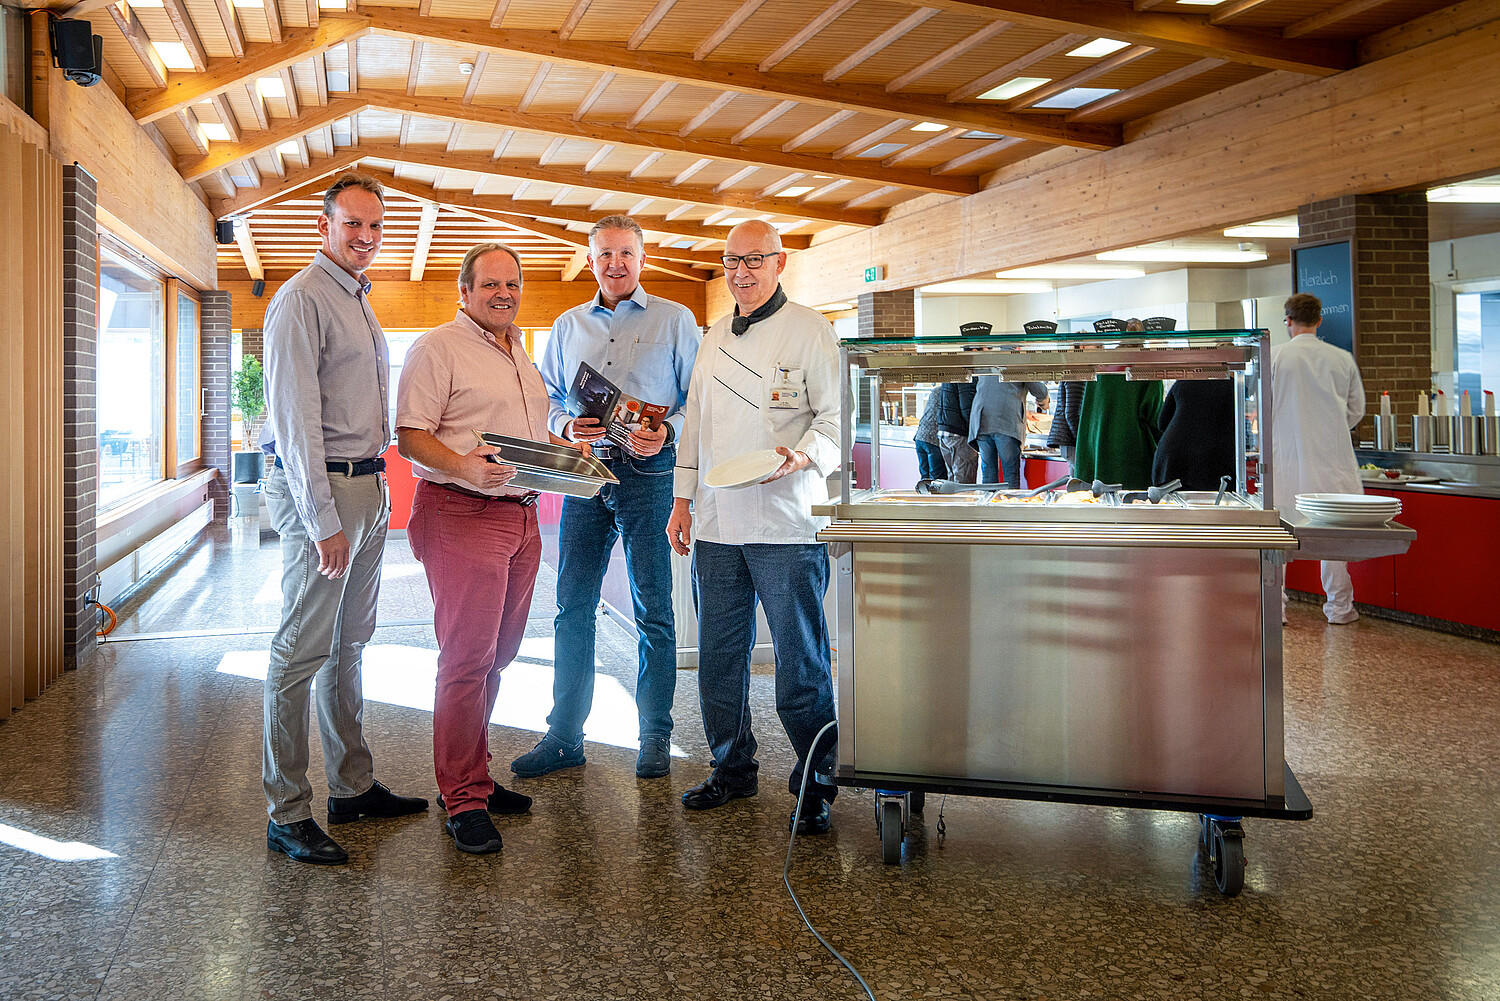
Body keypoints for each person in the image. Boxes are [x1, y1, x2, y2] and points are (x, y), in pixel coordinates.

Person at [258, 173, 427, 866]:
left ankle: (352, 786)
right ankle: (286, 809)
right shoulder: (301, 299)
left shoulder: (356, 297)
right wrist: (322, 517)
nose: (365, 236)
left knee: (349, 641)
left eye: (375, 225)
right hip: (322, 490)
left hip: (366, 483)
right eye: (352, 223)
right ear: (323, 226)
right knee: (300, 649)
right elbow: (293, 421)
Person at [395, 243, 581, 853]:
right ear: (465, 291)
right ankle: (463, 798)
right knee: (466, 661)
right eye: (491, 284)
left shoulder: (519, 353)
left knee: (497, 656)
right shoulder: (438, 348)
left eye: (512, 284)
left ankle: (474, 774)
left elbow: (522, 435)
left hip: (521, 518)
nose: (504, 294)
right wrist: (463, 467)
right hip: (462, 513)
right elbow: (410, 435)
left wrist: (562, 447)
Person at [666, 220, 841, 835]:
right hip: (717, 524)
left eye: (754, 260)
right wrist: (682, 500)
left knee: (800, 662)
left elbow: (835, 421)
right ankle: (732, 767)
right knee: (718, 656)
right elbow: (694, 426)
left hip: (787, 522)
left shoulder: (812, 330)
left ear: (779, 262)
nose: (741, 272)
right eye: (732, 261)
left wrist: (804, 455)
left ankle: (815, 782)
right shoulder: (714, 335)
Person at [515, 216, 700, 782]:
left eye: (625, 253)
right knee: (572, 605)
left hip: (651, 474)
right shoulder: (567, 324)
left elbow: (697, 401)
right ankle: (565, 737)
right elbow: (548, 396)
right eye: (604, 255)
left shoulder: (676, 319)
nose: (615, 264)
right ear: (590, 261)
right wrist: (566, 426)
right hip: (586, 472)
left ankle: (655, 736)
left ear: (643, 259)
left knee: (653, 608)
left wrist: (668, 431)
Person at [1271, 292, 1367, 625]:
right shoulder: (1341, 358)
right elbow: (1356, 410)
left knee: (1280, 535)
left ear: (1288, 321)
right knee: (1332, 534)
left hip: (1285, 459)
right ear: (1319, 320)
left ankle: (1276, 608)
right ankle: (1340, 608)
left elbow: (1260, 406)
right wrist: (1331, 428)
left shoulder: (1274, 356)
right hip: (1331, 459)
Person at [1073, 319, 1163, 489]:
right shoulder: (1146, 370)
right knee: (1130, 502)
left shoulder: (1101, 367)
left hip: (1094, 450)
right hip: (1130, 456)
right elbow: (1156, 420)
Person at [1152, 380, 1237, 490]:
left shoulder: (1182, 382)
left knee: (1170, 500)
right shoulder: (1235, 385)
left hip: (1172, 460)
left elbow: (1162, 423)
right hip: (1214, 460)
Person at [969, 377, 1048, 487]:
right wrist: (1044, 403)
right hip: (1006, 419)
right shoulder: (1019, 365)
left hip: (981, 419)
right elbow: (1040, 391)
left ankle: (989, 498)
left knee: (988, 474)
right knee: (1010, 474)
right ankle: (1009, 498)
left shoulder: (985, 364)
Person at [932, 380, 977, 482]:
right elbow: (967, 407)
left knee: (952, 479)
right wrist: (974, 431)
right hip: (959, 433)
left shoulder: (949, 377)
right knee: (964, 481)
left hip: (945, 431)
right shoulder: (966, 378)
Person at [913, 389, 947, 482]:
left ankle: (924, 491)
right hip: (933, 439)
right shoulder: (946, 391)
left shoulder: (936, 391)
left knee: (925, 478)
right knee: (937, 478)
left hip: (920, 437)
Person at [1047, 381, 1084, 464]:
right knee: (1078, 471)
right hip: (1070, 439)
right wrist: (1081, 441)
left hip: (1067, 438)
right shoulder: (1076, 377)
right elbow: (1071, 414)